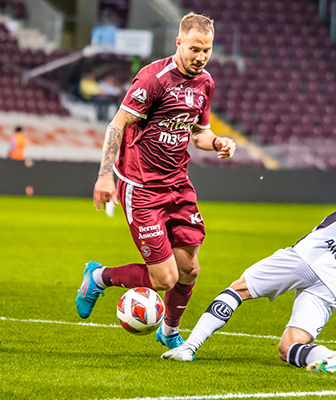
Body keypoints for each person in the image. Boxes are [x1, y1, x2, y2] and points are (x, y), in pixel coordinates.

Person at [162, 150, 336, 373]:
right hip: (332, 287)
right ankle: (331, 356)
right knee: (289, 347)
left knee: (239, 289)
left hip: (308, 258)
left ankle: (189, 347)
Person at [76, 12, 236, 351]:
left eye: (206, 50)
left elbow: (198, 132)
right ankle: (99, 276)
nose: (200, 57)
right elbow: (117, 125)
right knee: (165, 278)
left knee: (189, 269)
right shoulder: (154, 79)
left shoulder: (204, 82)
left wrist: (218, 141)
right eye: (194, 49)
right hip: (142, 186)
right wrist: (105, 174)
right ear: (179, 42)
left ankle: (169, 330)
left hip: (178, 184)